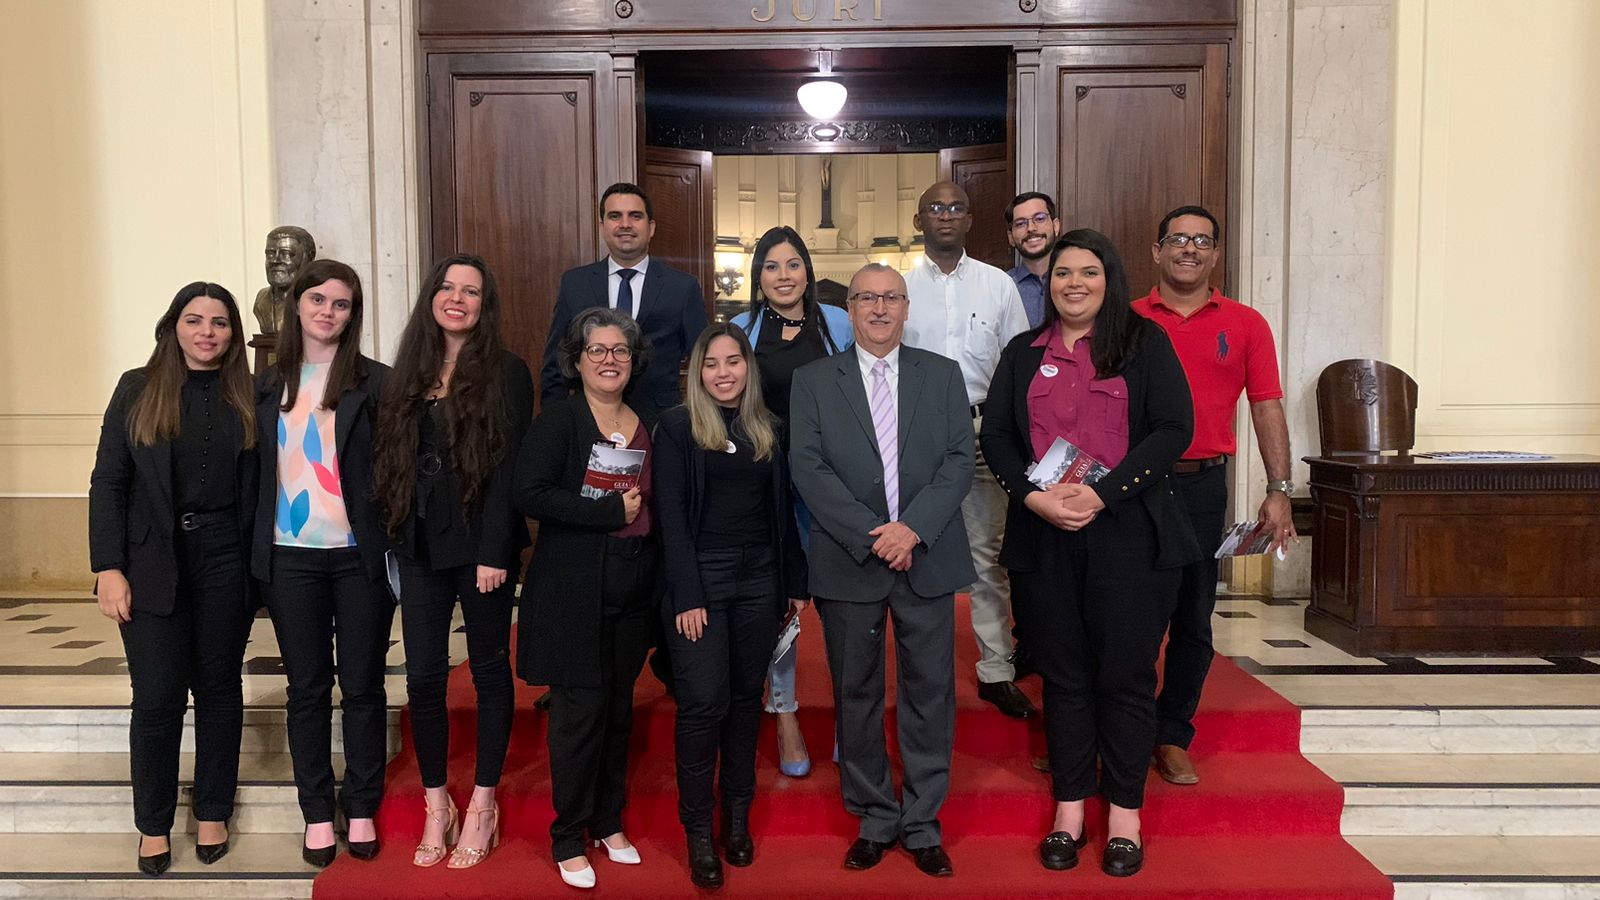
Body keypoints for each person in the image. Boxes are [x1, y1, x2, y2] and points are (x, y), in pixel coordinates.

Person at [980, 229, 1199, 878]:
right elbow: (995, 437)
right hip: (1044, 535)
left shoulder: (1144, 344)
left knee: (1126, 678)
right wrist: (1030, 497)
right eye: (1062, 273)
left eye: (1088, 272)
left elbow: (1173, 429)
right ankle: (1070, 810)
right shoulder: (1023, 353)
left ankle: (1125, 815)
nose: (1073, 283)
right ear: (1047, 285)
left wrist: (1104, 495)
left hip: (1128, 534)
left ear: (1110, 279)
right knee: (1066, 676)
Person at [789, 263, 976, 879]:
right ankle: (874, 817)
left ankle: (922, 822)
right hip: (851, 559)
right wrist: (874, 536)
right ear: (851, 308)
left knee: (930, 694)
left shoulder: (943, 376)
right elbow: (808, 467)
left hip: (925, 554)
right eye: (866, 298)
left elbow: (957, 460)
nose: (878, 308)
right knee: (856, 692)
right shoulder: (814, 380)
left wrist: (911, 529)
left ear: (905, 307)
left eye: (890, 298)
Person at [89, 282, 259, 875]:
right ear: (173, 326)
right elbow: (108, 482)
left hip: (225, 558)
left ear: (233, 333)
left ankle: (212, 809)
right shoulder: (138, 388)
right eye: (195, 320)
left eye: (219, 322)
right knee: (158, 695)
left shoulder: (250, 394)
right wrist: (108, 568)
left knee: (218, 689)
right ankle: (153, 823)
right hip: (151, 560)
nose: (207, 331)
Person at [371, 253, 534, 869]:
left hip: (480, 550)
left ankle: (485, 802)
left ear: (484, 304)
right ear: (431, 297)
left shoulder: (507, 371)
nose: (458, 299)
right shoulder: (405, 372)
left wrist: (497, 550)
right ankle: (437, 803)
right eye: (447, 288)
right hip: (418, 545)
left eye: (471, 291)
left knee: (490, 673)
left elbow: (510, 466)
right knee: (425, 678)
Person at [1133, 205, 1294, 786]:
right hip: (1136, 488)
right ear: (1157, 251)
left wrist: (1279, 489)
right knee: (1129, 616)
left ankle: (1171, 734)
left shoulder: (1246, 323)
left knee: (1193, 620)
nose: (1190, 249)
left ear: (1216, 254)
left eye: (1202, 241)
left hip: (1203, 485)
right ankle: (1119, 732)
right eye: (1178, 239)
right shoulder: (1128, 321)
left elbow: (1266, 404)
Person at [655, 323, 809, 888]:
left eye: (733, 361)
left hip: (760, 580)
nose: (723, 373)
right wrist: (687, 592)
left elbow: (783, 515)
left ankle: (736, 820)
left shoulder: (768, 428)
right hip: (701, 578)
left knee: (746, 700)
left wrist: (794, 581)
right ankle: (698, 830)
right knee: (702, 704)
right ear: (696, 372)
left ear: (749, 368)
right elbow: (669, 516)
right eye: (711, 363)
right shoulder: (675, 428)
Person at [250, 259, 394, 866]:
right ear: (297, 304)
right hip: (291, 559)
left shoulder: (378, 382)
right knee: (307, 689)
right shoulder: (260, 382)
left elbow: (397, 470)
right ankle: (315, 811)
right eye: (318, 299)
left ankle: (361, 805)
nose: (328, 311)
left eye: (341, 303)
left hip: (359, 556)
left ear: (352, 313)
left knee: (362, 685)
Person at [516, 307, 657, 891]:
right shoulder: (561, 421)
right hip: (575, 587)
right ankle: (568, 834)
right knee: (580, 715)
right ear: (576, 361)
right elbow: (529, 493)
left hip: (634, 586)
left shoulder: (643, 420)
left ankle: (606, 820)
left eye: (619, 350)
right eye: (596, 350)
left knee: (619, 709)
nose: (608, 359)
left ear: (633, 360)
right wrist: (603, 512)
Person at [902, 181, 1035, 720]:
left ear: (970, 219)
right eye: (935, 207)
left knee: (987, 555)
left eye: (956, 207)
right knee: (916, 550)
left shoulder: (997, 285)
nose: (946, 216)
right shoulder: (901, 287)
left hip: (982, 430)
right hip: (920, 436)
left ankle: (996, 669)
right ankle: (921, 670)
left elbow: (1019, 364)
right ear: (919, 220)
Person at [726, 225, 852, 778]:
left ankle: (855, 719)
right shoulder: (740, 330)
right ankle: (785, 715)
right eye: (771, 266)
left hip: (834, 482)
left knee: (847, 607)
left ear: (808, 270)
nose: (783, 276)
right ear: (758, 276)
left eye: (793, 264)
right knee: (782, 608)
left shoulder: (841, 322)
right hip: (768, 486)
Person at [539, 182, 709, 421]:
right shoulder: (574, 283)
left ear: (651, 227)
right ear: (603, 226)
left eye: (635, 216)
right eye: (615, 216)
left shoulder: (682, 287)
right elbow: (555, 362)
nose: (625, 224)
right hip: (588, 418)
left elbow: (704, 361)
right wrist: (554, 422)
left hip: (661, 422)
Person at [252, 225, 316, 335]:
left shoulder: (317, 302)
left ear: (308, 257)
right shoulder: (261, 300)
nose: (276, 260)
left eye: (286, 254)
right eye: (270, 254)